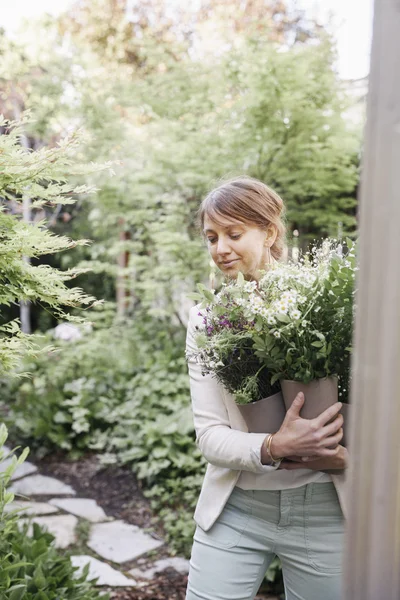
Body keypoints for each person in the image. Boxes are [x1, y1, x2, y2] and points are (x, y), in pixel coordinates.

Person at [185, 176, 348, 600]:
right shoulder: (207, 321)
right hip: (236, 509)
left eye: (234, 234)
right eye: (212, 237)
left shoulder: (326, 305)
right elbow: (209, 437)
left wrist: (345, 457)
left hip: (326, 511)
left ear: (270, 232)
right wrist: (273, 445)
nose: (221, 248)